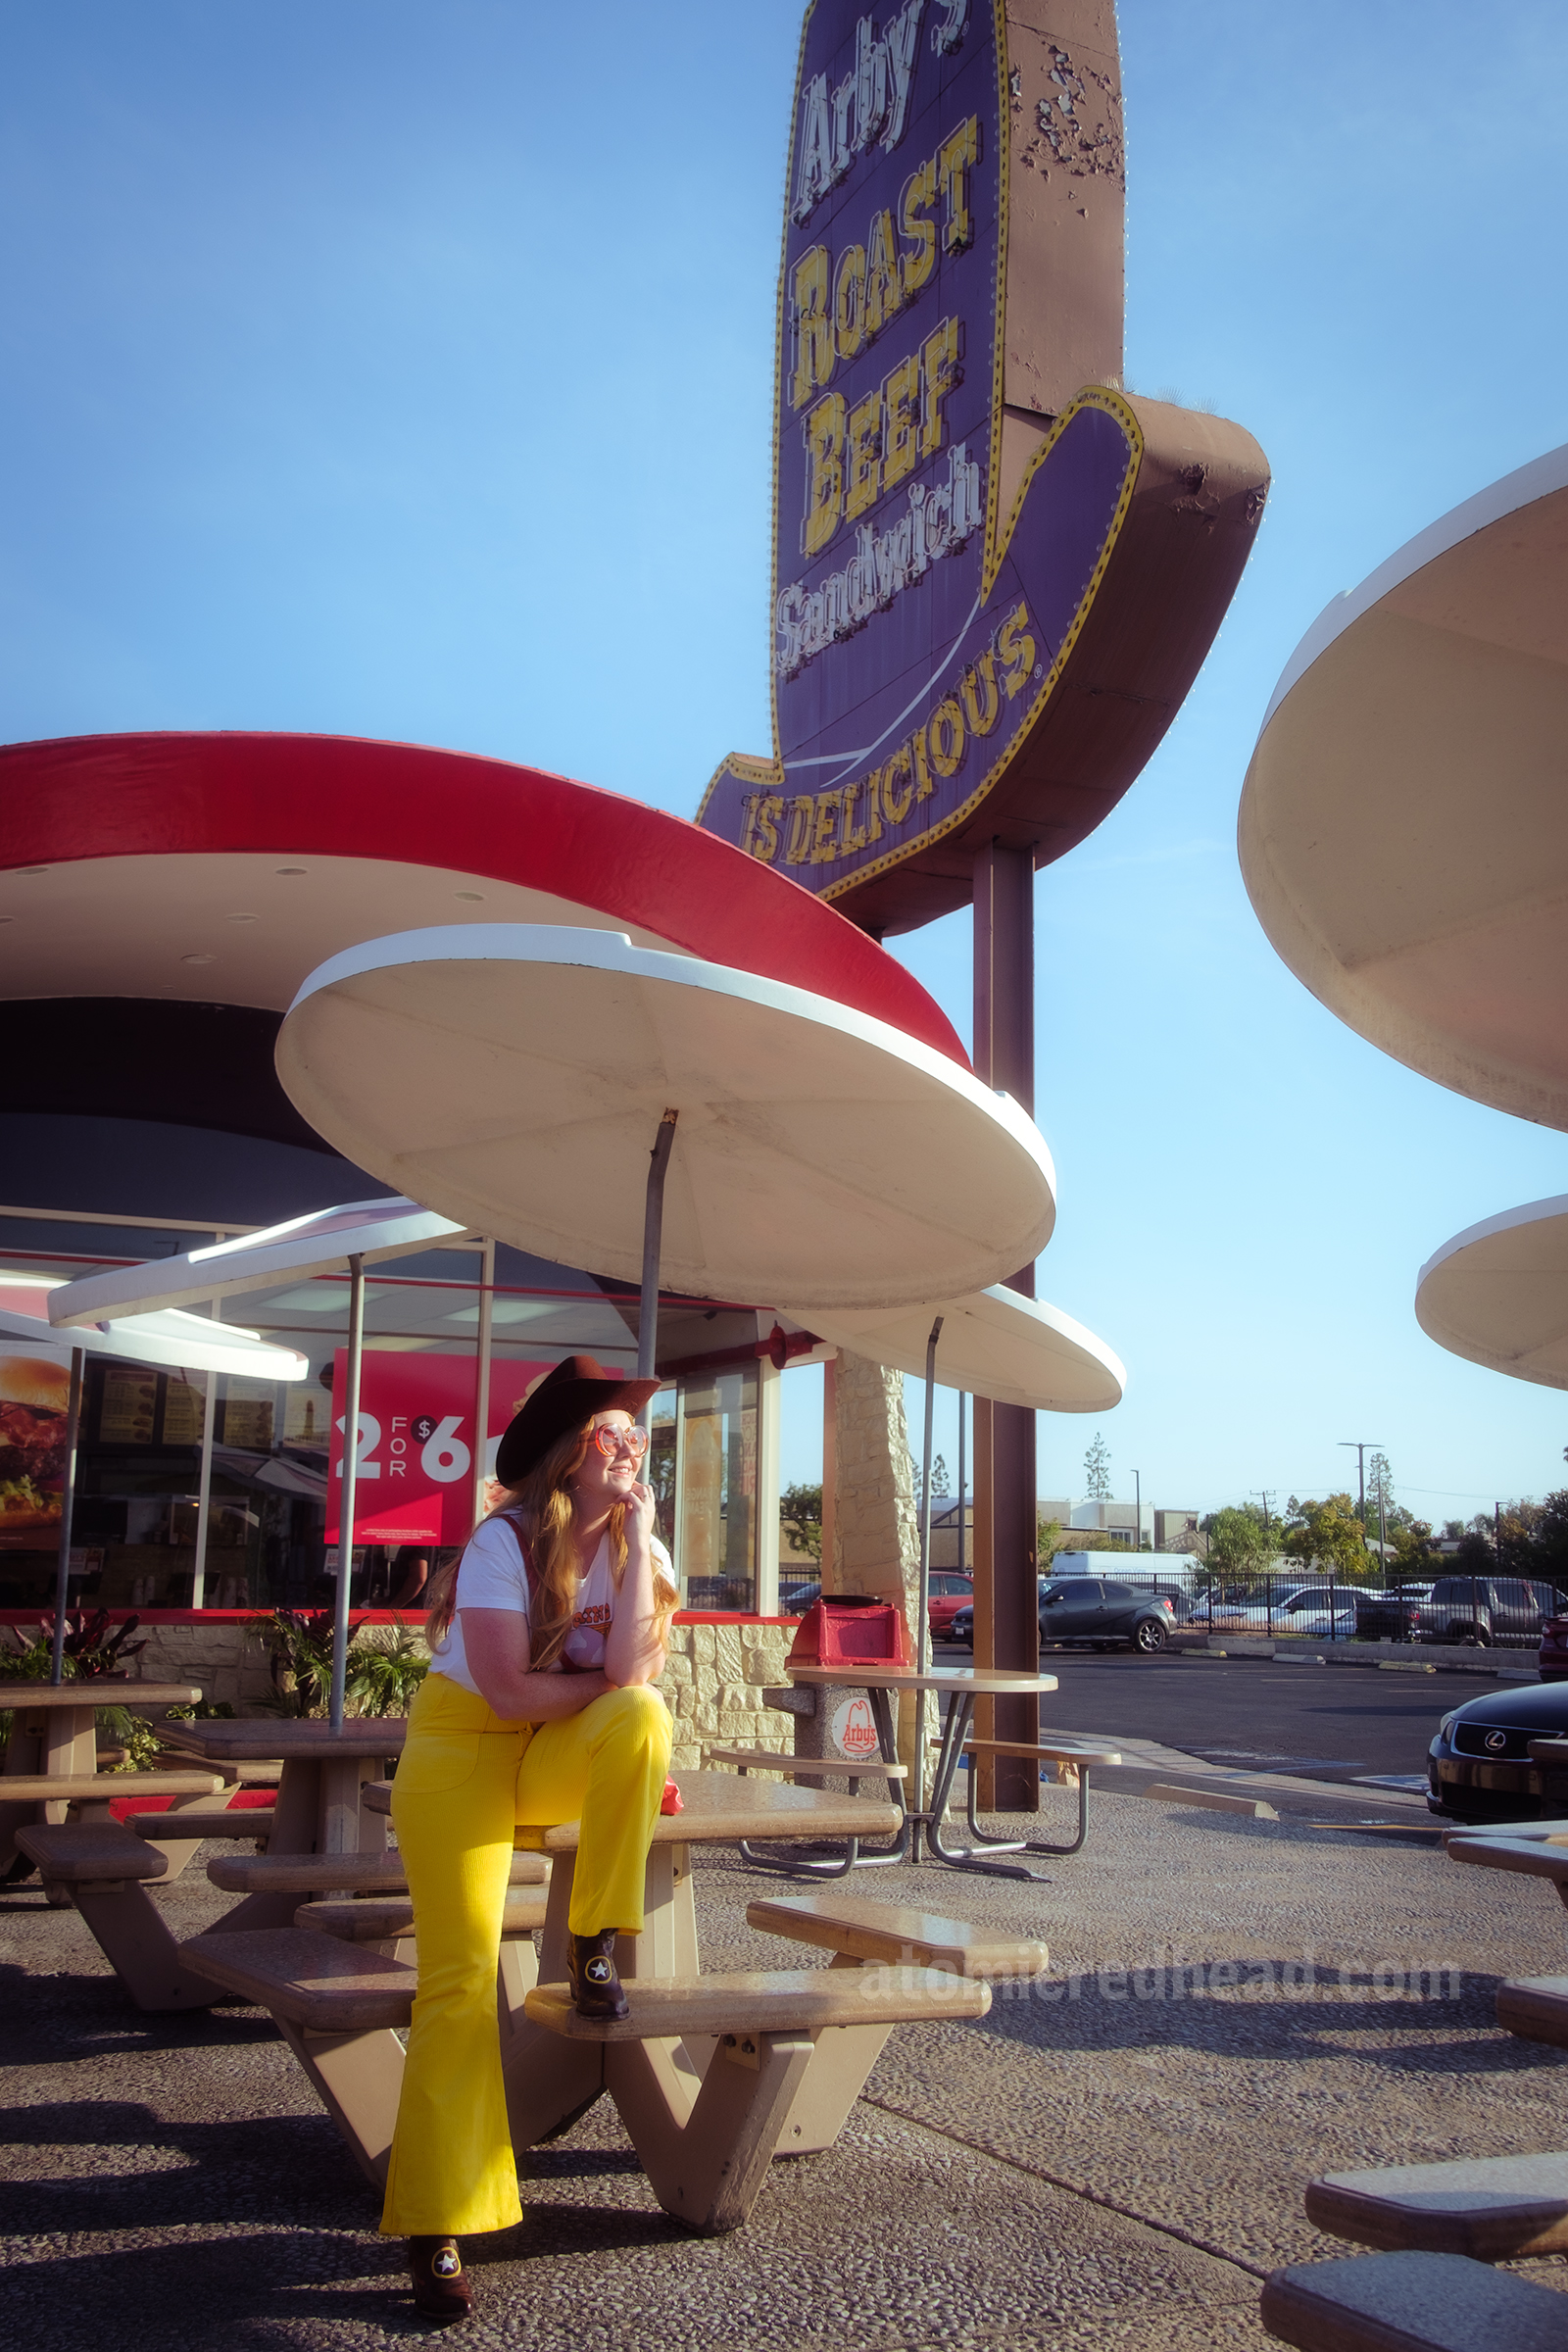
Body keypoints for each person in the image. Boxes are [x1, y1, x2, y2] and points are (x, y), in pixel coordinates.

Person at [380, 1354, 677, 2320]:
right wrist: (605, 1687)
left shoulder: (640, 1543)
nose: (631, 1446)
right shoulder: (504, 1540)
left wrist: (635, 1541)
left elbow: (633, 1681)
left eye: (639, 1434)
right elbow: (506, 1689)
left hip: (549, 1744)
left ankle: (593, 1938)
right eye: (613, 1431)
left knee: (645, 1723)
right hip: (462, 1745)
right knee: (460, 1983)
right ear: (569, 1450)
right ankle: (438, 2222)